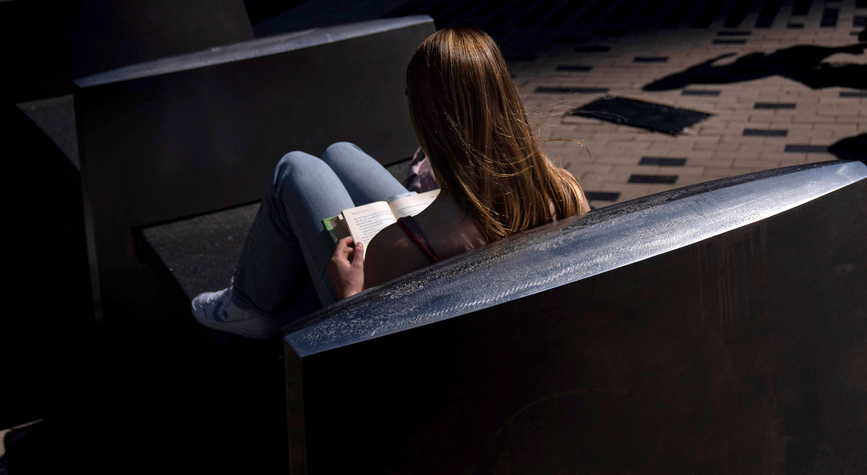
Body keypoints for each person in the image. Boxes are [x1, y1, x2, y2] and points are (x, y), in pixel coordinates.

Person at [191, 26, 590, 338]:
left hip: (409, 274)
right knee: (340, 153)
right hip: (463, 252)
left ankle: (246, 305)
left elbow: (364, 346)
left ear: (431, 121)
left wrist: (348, 294)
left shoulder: (397, 247)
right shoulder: (564, 189)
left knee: (296, 169)